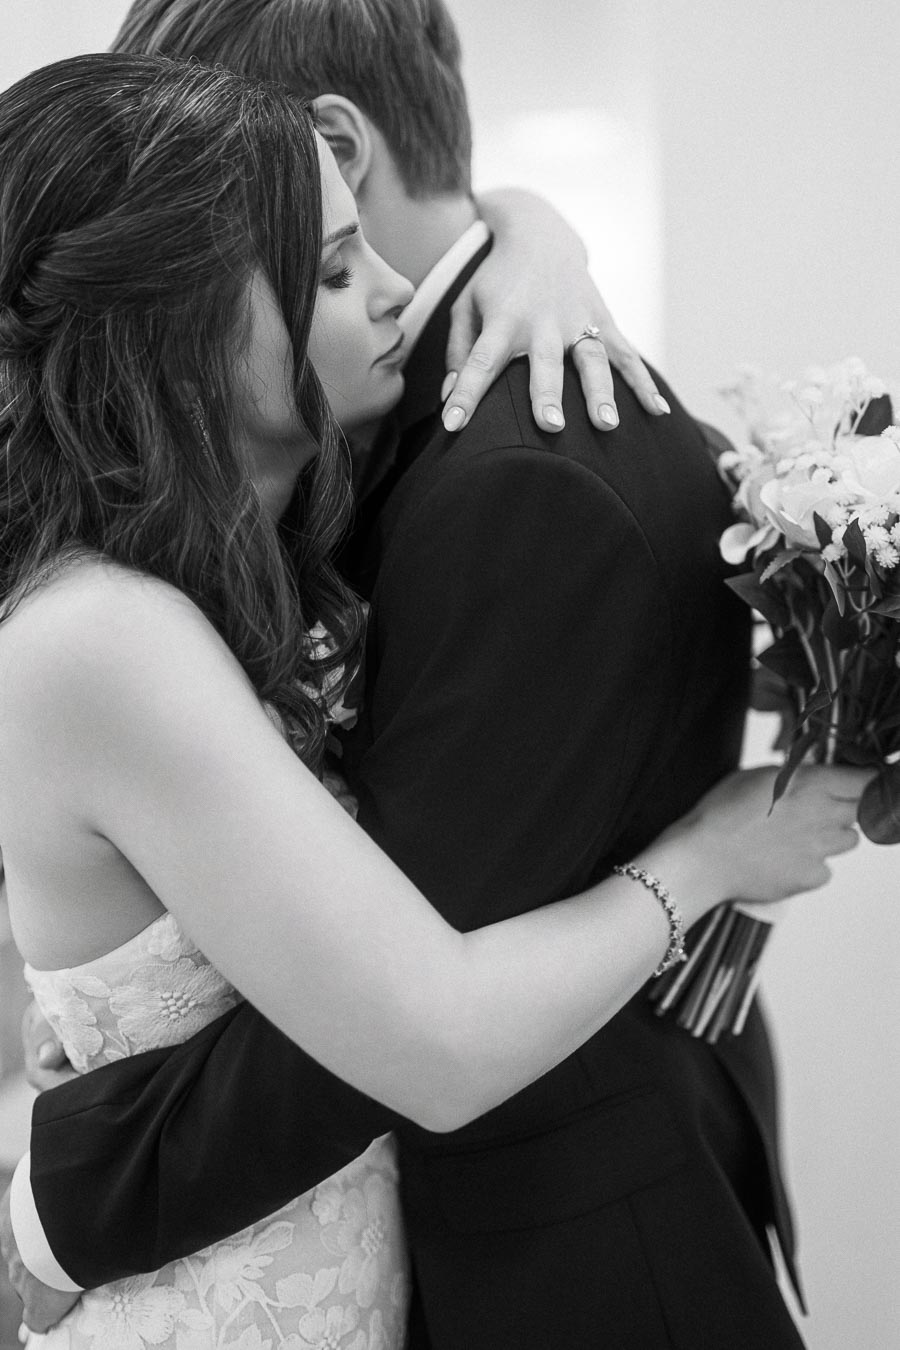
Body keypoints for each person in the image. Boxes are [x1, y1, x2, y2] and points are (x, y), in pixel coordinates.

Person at [0, 10, 870, 1350]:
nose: (387, 297)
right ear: (179, 305)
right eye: (326, 264)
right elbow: (421, 1018)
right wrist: (711, 855)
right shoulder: (125, 614)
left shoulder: (461, 471)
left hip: (550, 1242)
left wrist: (534, 221)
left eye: (350, 249)